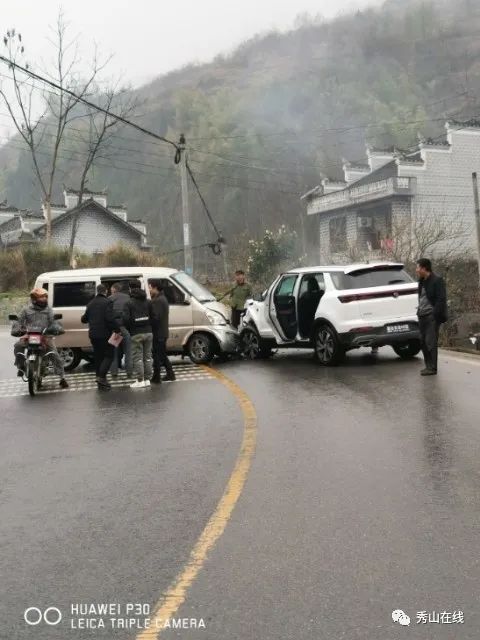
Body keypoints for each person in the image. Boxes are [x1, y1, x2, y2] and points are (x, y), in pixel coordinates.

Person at [13, 288, 69, 389]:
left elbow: (53, 322)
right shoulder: (26, 310)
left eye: (45, 297)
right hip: (29, 336)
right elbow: (19, 321)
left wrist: (56, 328)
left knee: (55, 355)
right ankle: (21, 366)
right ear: (34, 299)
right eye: (41, 297)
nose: (44, 299)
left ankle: (62, 378)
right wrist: (17, 328)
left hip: (45, 336)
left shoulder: (48, 310)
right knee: (17, 346)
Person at [81, 284, 120, 391]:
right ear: (106, 291)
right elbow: (109, 319)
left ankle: (101, 383)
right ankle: (101, 377)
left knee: (98, 358)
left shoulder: (90, 303)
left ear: (97, 291)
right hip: (105, 335)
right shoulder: (108, 302)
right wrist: (117, 330)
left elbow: (83, 319)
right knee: (109, 356)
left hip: (93, 335)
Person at [416, 258, 448, 376]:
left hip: (431, 316)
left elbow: (441, 299)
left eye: (418, 267)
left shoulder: (437, 280)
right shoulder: (421, 281)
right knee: (423, 341)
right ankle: (428, 366)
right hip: (422, 315)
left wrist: (434, 315)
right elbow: (421, 298)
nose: (416, 270)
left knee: (431, 342)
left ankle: (433, 368)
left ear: (424, 268)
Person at [123, 280, 153, 389]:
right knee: (148, 357)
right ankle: (148, 379)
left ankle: (140, 380)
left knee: (138, 358)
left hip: (136, 333)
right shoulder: (149, 301)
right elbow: (153, 316)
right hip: (149, 332)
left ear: (130, 289)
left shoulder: (129, 303)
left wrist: (130, 328)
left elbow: (125, 320)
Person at [149, 279, 176, 383]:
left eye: (150, 287)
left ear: (155, 287)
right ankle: (169, 374)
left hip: (159, 332)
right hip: (162, 332)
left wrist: (148, 322)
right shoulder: (161, 298)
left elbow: (156, 318)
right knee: (160, 354)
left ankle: (157, 377)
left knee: (157, 355)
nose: (149, 290)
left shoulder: (158, 300)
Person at [109, 282, 133, 378]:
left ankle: (114, 373)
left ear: (114, 290)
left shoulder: (110, 299)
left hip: (116, 330)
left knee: (114, 352)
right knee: (128, 352)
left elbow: (108, 315)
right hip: (126, 329)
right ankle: (129, 373)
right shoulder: (128, 298)